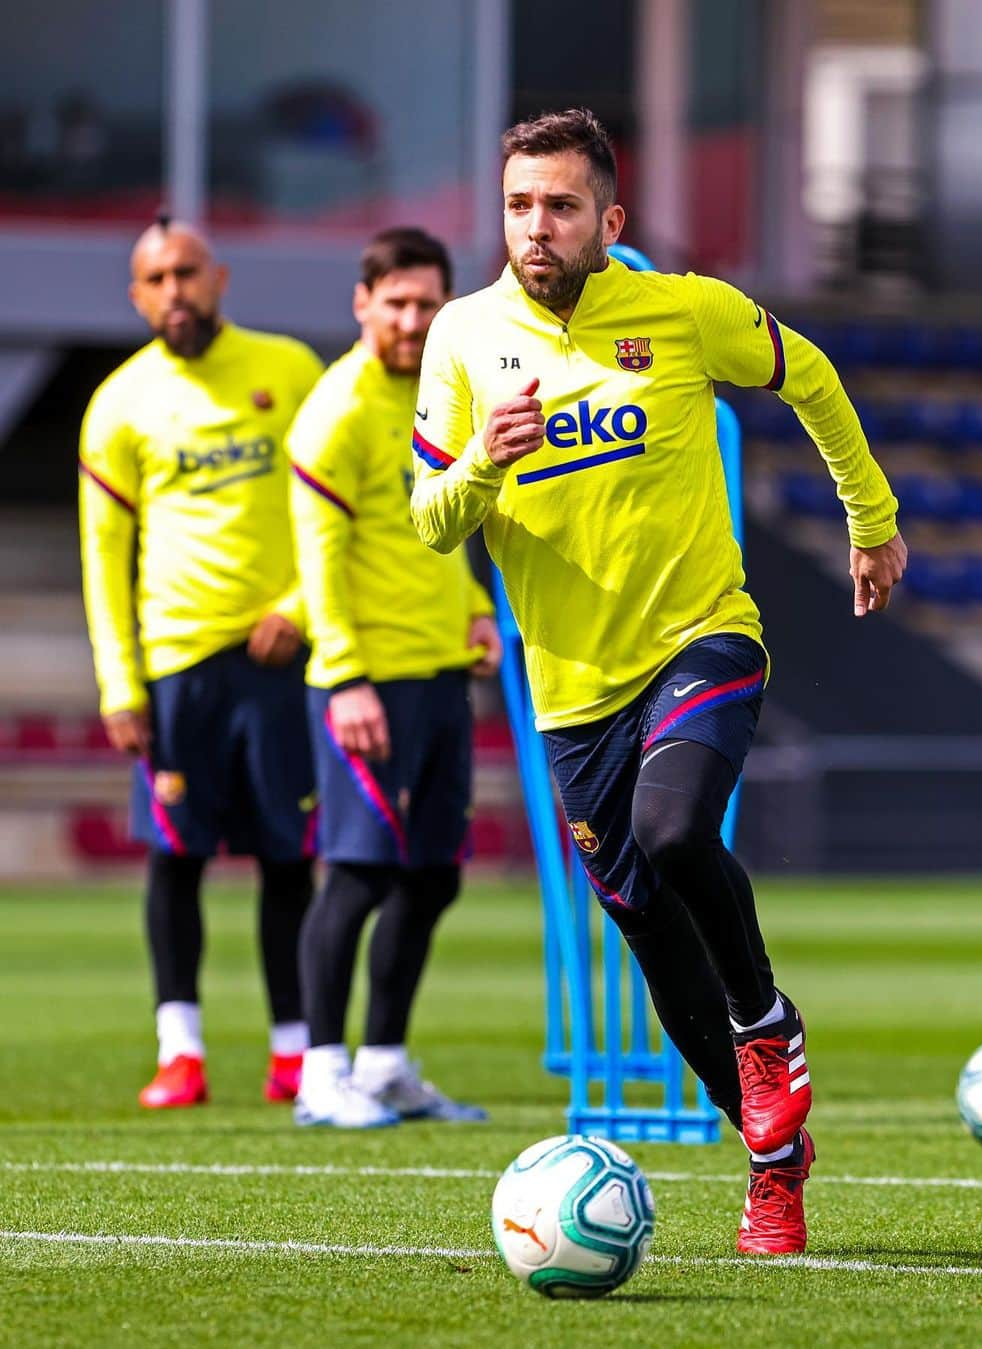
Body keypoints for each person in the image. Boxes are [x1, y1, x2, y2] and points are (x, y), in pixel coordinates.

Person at [411, 110, 907, 1253]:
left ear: (610, 220)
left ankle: (767, 1021)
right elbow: (431, 521)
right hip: (572, 689)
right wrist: (485, 453)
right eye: (521, 204)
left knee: (678, 830)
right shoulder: (460, 336)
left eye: (563, 206)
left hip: (702, 637)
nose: (538, 227)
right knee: (645, 925)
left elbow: (813, 375)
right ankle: (773, 1162)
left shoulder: (684, 311)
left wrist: (869, 516)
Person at [79, 216, 324, 1109]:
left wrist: (299, 608)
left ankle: (294, 1048)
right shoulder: (117, 403)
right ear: (137, 295)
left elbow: (336, 503)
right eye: (157, 278)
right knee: (173, 862)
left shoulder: (290, 370)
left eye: (188, 272)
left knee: (288, 857)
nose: (175, 290)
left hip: (279, 656)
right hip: (176, 666)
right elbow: (102, 556)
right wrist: (120, 682)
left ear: (220, 278)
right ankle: (179, 1049)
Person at [287, 227, 502, 1129]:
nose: (414, 320)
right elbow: (320, 559)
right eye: (398, 302)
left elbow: (434, 529)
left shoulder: (441, 397)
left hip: (440, 673)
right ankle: (318, 1072)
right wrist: (344, 680)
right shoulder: (335, 409)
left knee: (432, 877)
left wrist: (473, 609)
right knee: (356, 876)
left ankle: (382, 1066)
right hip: (365, 681)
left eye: (429, 303)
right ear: (362, 303)